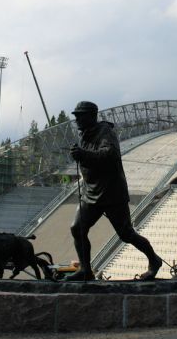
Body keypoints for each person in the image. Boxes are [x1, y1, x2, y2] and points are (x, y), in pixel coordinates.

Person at [67, 101, 162, 281]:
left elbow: (109, 156)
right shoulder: (84, 135)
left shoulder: (105, 133)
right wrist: (79, 154)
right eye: (76, 115)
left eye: (80, 115)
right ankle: (85, 270)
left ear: (92, 116)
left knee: (126, 234)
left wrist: (83, 155)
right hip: (91, 193)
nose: (77, 119)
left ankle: (154, 260)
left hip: (112, 194)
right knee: (77, 228)